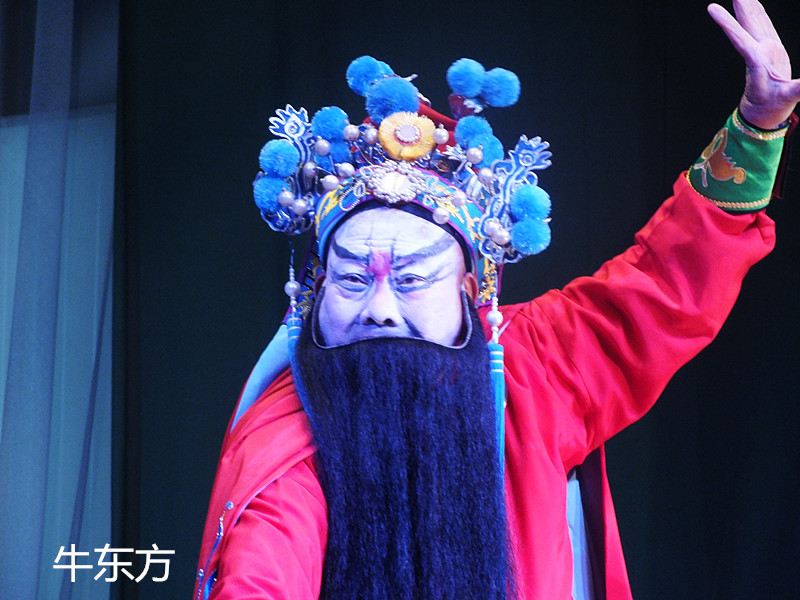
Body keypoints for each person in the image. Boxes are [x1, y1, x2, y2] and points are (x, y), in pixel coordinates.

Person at [194, 1, 800, 599]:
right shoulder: (285, 429)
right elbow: (262, 569)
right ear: (317, 289)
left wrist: (757, 126)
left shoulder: (537, 367)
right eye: (352, 279)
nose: (379, 308)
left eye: (411, 279)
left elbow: (668, 285)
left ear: (469, 289)